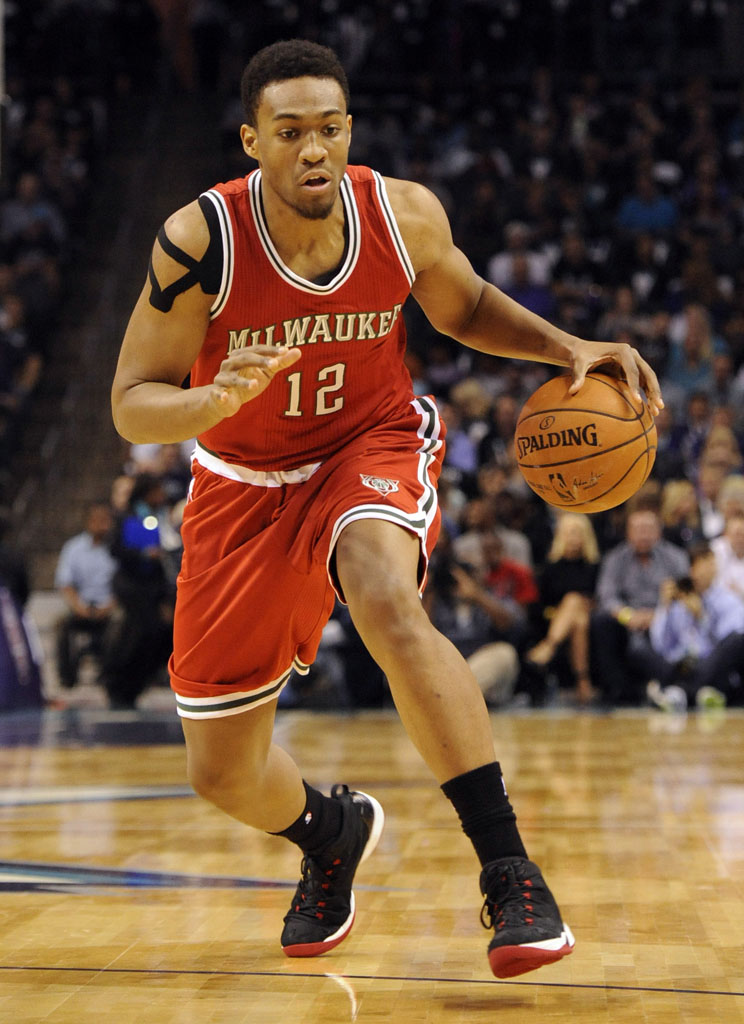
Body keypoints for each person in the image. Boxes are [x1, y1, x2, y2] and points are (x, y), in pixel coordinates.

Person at [110, 40, 662, 979]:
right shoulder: (200, 240)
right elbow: (130, 400)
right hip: (241, 485)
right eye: (290, 133)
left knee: (383, 595)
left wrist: (564, 346)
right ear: (254, 141)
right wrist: (203, 406)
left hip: (370, 443)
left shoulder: (401, 213)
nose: (314, 149)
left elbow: (466, 307)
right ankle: (330, 834)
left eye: (330, 128)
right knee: (222, 772)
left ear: (349, 130)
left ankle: (509, 871)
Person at [591, 508, 688, 705]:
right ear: (628, 532)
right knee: (601, 621)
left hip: (666, 618)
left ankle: (677, 684)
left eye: (648, 529)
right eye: (638, 529)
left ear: (658, 532)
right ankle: (620, 691)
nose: (643, 534)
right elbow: (607, 596)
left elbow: (687, 594)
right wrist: (629, 616)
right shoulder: (615, 558)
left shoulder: (675, 557)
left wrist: (658, 615)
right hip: (627, 621)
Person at [647, 542, 744, 710]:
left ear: (714, 567)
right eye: (694, 565)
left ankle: (680, 693)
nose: (699, 571)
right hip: (681, 665)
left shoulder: (729, 601)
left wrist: (702, 618)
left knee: (736, 641)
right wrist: (665, 608)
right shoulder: (678, 601)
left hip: (713, 666)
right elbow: (660, 645)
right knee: (639, 649)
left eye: (706, 564)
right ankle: (698, 693)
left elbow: (730, 646)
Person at [525, 513, 599, 705]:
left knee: (576, 603)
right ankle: (583, 680)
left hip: (591, 616)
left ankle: (549, 646)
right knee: (578, 620)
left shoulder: (594, 566)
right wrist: (563, 612)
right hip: (557, 618)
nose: (573, 539)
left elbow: (598, 598)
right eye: (569, 534)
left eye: (577, 534)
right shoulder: (550, 568)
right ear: (560, 536)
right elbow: (541, 604)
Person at [54, 501, 118, 689]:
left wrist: (109, 606)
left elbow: (123, 584)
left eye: (106, 520)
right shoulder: (73, 548)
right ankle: (67, 676)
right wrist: (78, 607)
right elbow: (65, 583)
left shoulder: (116, 548)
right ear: (88, 521)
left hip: (110, 606)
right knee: (61, 624)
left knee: (121, 623)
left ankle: (109, 673)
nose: (102, 524)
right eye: (98, 520)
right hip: (82, 605)